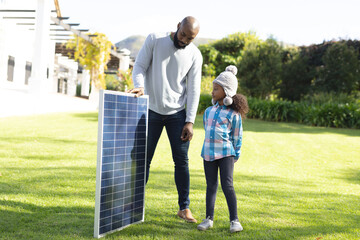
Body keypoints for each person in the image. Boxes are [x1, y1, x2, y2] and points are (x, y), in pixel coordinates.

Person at [128, 16, 203, 223]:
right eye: (183, 35)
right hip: (150, 110)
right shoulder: (155, 39)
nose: (185, 40)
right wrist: (140, 86)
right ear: (178, 26)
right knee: (142, 158)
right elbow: (140, 66)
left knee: (181, 162)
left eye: (190, 38)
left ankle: (184, 208)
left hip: (176, 115)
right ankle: (134, 203)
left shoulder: (195, 55)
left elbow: (194, 89)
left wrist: (190, 121)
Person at [197, 65, 249, 233]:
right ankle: (208, 219)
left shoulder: (233, 115)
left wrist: (236, 154)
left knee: (228, 185)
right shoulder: (208, 111)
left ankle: (235, 220)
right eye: (213, 88)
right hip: (208, 154)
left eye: (216, 89)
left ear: (226, 91)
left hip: (226, 154)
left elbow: (237, 136)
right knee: (210, 185)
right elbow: (207, 130)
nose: (212, 92)